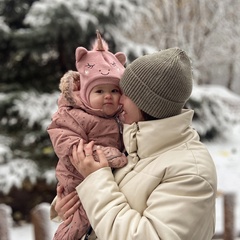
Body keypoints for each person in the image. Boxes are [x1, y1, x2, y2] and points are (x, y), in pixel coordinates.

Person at [50, 47, 218, 240]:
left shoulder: (191, 172)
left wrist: (94, 179)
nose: (118, 100)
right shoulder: (135, 146)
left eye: (125, 93)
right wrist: (69, 205)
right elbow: (117, 194)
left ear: (146, 104)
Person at [47, 31, 128, 240]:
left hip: (100, 179)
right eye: (99, 91)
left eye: (114, 91)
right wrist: (110, 156)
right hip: (77, 175)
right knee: (78, 222)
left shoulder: (122, 117)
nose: (108, 96)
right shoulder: (73, 115)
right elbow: (68, 144)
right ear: (84, 94)